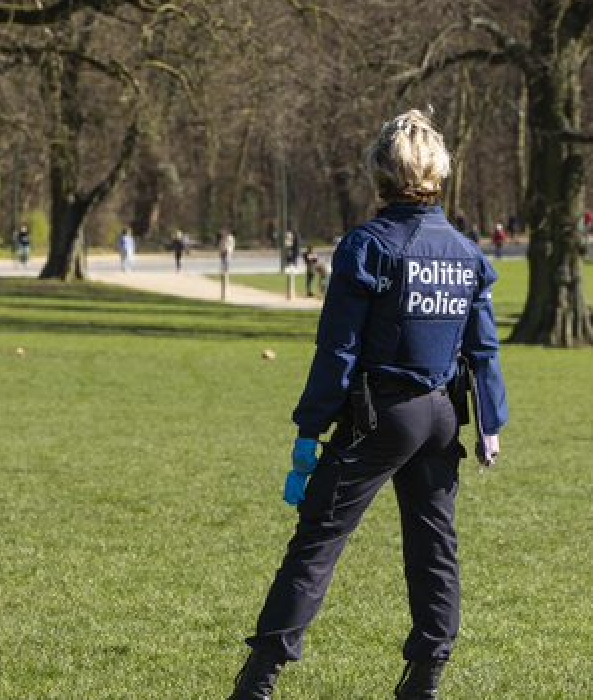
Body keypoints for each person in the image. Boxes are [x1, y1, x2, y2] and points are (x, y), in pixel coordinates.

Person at [228, 109, 509, 700]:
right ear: (438, 174)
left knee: (318, 542)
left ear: (380, 174)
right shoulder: (464, 251)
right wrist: (491, 423)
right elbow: (483, 347)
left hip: (380, 416)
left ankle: (258, 681)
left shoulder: (368, 247)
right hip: (440, 416)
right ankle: (426, 679)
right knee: (435, 549)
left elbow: (338, 351)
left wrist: (309, 432)